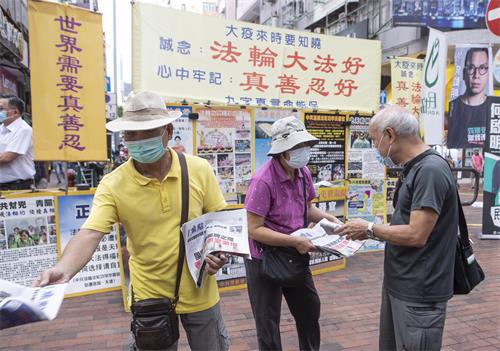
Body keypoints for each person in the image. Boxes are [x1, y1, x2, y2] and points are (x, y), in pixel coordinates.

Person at [33, 91, 230, 351]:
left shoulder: (198, 169)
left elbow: (218, 220)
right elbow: (90, 233)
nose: (136, 141)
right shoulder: (113, 184)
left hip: (200, 290)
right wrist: (64, 269)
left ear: (168, 131)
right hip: (149, 296)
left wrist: (217, 252)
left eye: (146, 132)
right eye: (130, 133)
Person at [336, 106, 458, 351]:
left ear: (390, 135)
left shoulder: (430, 171)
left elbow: (416, 233)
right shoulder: (415, 167)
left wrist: (370, 228)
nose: (373, 147)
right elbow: (406, 224)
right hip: (402, 282)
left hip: (419, 292)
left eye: (373, 140)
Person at [244, 116, 343, 351]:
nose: (303, 151)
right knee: (267, 323)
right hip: (263, 258)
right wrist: (294, 241)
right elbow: (253, 229)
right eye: (296, 147)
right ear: (282, 151)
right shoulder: (262, 180)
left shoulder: (303, 173)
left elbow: (308, 208)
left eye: (304, 146)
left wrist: (331, 221)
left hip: (295, 252)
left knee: (309, 310)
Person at [448, 47, 495, 148]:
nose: (476, 75)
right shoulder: (453, 106)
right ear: (464, 73)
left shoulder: (494, 108)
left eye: (482, 68)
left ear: (488, 73)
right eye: (471, 68)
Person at [0, 95, 35, 191]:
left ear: (15, 112)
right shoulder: (1, 128)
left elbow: (7, 157)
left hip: (18, 186)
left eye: (1, 108)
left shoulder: (24, 130)